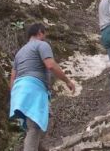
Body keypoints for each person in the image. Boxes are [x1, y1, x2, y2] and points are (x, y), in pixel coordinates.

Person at [9, 23, 75, 151]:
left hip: (18, 91)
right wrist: (67, 81)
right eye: (44, 34)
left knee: (34, 126)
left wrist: (14, 97)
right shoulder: (42, 45)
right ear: (40, 32)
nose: (45, 37)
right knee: (34, 127)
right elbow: (50, 65)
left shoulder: (20, 52)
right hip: (33, 88)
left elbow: (12, 77)